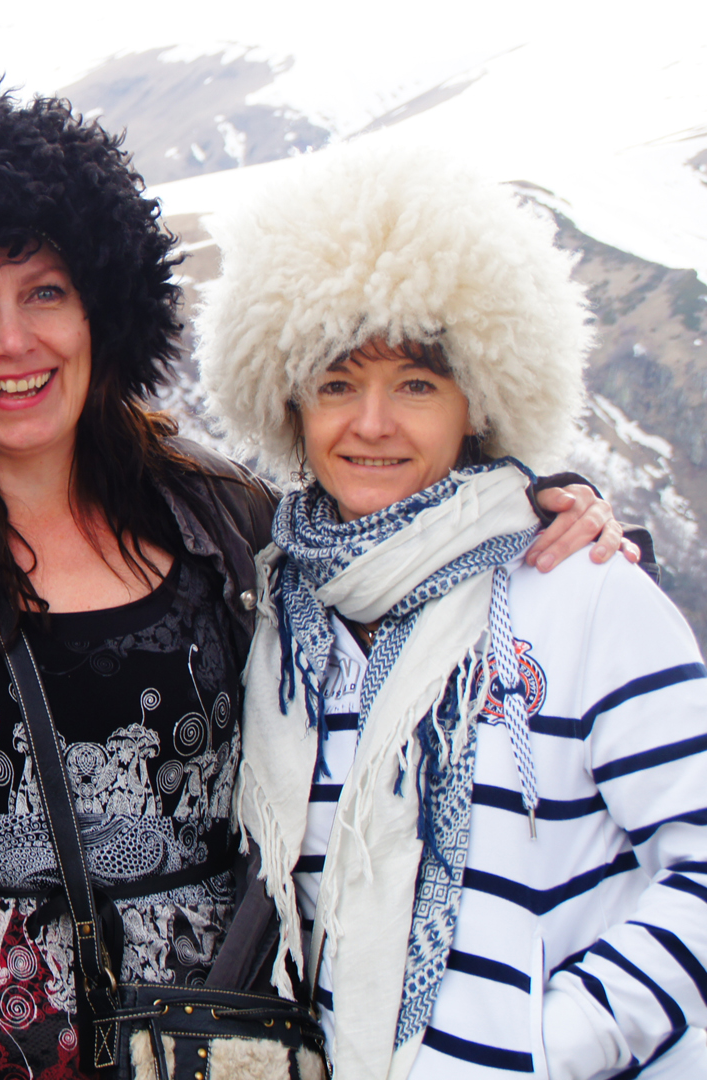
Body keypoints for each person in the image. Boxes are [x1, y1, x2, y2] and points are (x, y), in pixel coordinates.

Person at [0, 85, 631, 1080]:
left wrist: (532, 511)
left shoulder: (220, 524)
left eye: (44, 293)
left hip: (226, 1045)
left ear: (104, 306)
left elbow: (392, 566)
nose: (11, 343)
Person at [201, 143, 707, 1079]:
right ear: (289, 402)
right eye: (338, 383)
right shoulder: (283, 617)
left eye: (418, 384)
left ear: (479, 395)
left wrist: (554, 1047)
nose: (374, 424)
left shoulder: (581, 587)